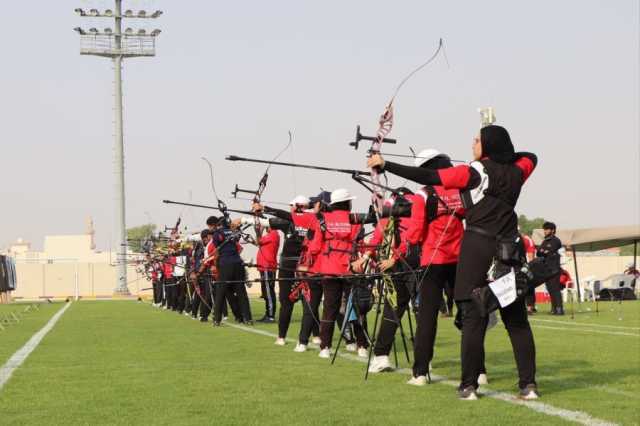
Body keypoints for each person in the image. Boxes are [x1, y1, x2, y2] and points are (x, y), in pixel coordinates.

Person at [368, 124, 539, 400]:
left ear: (488, 146)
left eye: (478, 140)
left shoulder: (474, 172)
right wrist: (503, 155)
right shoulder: (518, 170)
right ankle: (528, 385)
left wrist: (385, 163)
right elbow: (531, 155)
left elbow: (427, 175)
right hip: (509, 248)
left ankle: (469, 385)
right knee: (516, 319)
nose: (472, 143)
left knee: (472, 317)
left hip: (477, 247)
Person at [352, 188, 422, 372]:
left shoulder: (387, 218)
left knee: (392, 312)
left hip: (399, 267)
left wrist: (366, 258)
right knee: (422, 313)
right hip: (417, 266)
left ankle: (382, 356)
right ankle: (424, 361)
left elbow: (376, 242)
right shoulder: (418, 214)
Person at [308, 188, 369, 359]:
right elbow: (359, 240)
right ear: (348, 203)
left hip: (329, 270)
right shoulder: (355, 219)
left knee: (330, 309)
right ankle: (362, 346)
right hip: (350, 269)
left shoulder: (322, 219)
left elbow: (314, 248)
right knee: (354, 308)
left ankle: (325, 348)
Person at [211, 216, 253, 326]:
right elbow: (238, 239)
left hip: (225, 264)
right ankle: (248, 318)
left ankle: (217, 319)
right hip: (238, 264)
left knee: (220, 292)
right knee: (241, 292)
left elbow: (217, 247)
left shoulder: (218, 233)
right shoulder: (235, 232)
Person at [537, 222, 563, 315]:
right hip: (546, 269)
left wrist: (544, 251)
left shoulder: (556, 240)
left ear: (552, 230)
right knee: (550, 289)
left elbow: (549, 251)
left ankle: (559, 309)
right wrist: (544, 251)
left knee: (555, 289)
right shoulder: (545, 241)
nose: (545, 231)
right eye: (544, 229)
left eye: (547, 229)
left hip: (554, 268)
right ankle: (553, 309)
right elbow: (539, 252)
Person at [256, 225, 280, 322]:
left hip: (267, 267)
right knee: (266, 292)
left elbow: (258, 241)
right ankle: (268, 314)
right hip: (264, 267)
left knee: (269, 292)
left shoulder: (273, 234)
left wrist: (259, 231)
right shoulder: (270, 235)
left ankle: (270, 315)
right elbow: (259, 243)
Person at [521, 230, 537, 313]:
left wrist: (529, 267)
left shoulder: (527, 240)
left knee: (529, 286)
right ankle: (530, 306)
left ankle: (530, 307)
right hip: (520, 265)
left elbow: (531, 255)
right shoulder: (517, 239)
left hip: (526, 266)